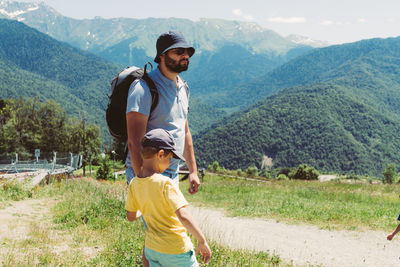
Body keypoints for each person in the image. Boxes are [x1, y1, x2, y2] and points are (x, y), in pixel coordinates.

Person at [125, 30, 199, 194]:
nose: (185, 56)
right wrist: (143, 181)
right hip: (148, 172)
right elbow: (134, 142)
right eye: (179, 51)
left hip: (172, 173)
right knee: (163, 221)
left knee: (174, 221)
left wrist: (193, 170)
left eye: (188, 52)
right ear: (162, 56)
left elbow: (184, 132)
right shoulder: (143, 89)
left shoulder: (183, 88)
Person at [125, 128, 211, 266]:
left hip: (152, 250)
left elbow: (131, 216)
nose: (170, 163)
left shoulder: (134, 183)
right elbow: (183, 215)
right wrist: (202, 240)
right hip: (176, 250)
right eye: (170, 158)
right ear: (160, 155)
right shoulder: (165, 183)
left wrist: (147, 207)